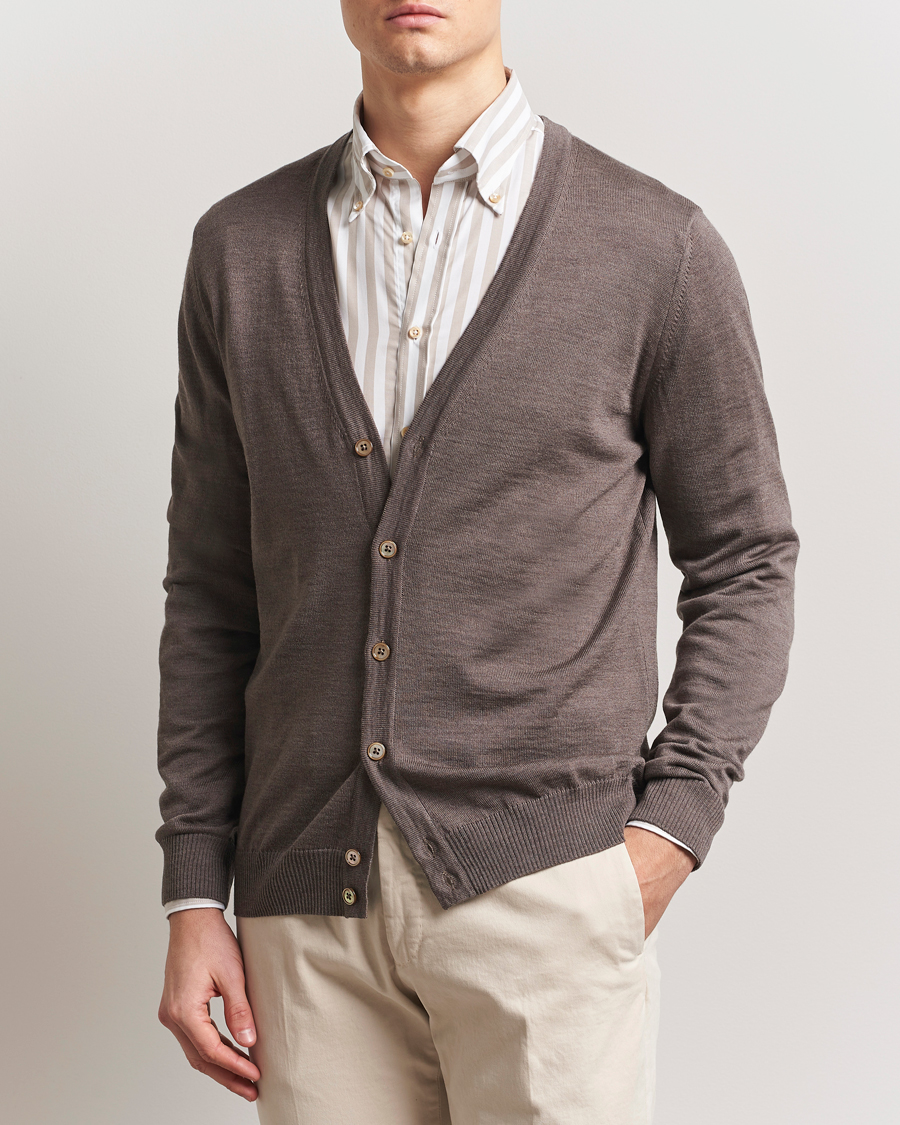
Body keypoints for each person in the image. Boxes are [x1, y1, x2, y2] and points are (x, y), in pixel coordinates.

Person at [155, 2, 799, 1122]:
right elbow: (213, 593)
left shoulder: (654, 247)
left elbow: (747, 558)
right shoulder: (240, 248)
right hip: (306, 909)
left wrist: (669, 829)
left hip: (550, 892)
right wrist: (194, 889)